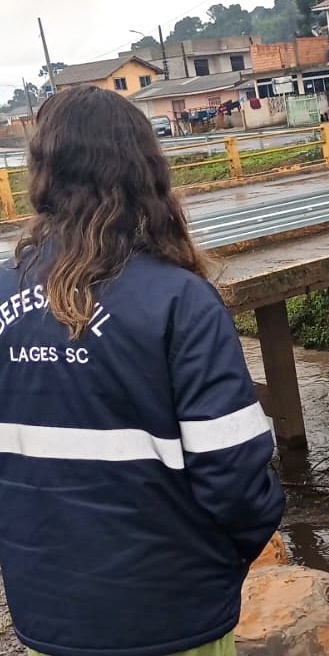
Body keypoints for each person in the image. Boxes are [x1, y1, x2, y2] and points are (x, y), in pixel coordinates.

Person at [0, 85, 285, 656]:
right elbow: (234, 475)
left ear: (43, 176)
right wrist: (222, 558)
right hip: (173, 617)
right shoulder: (179, 302)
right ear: (145, 173)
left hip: (50, 620)